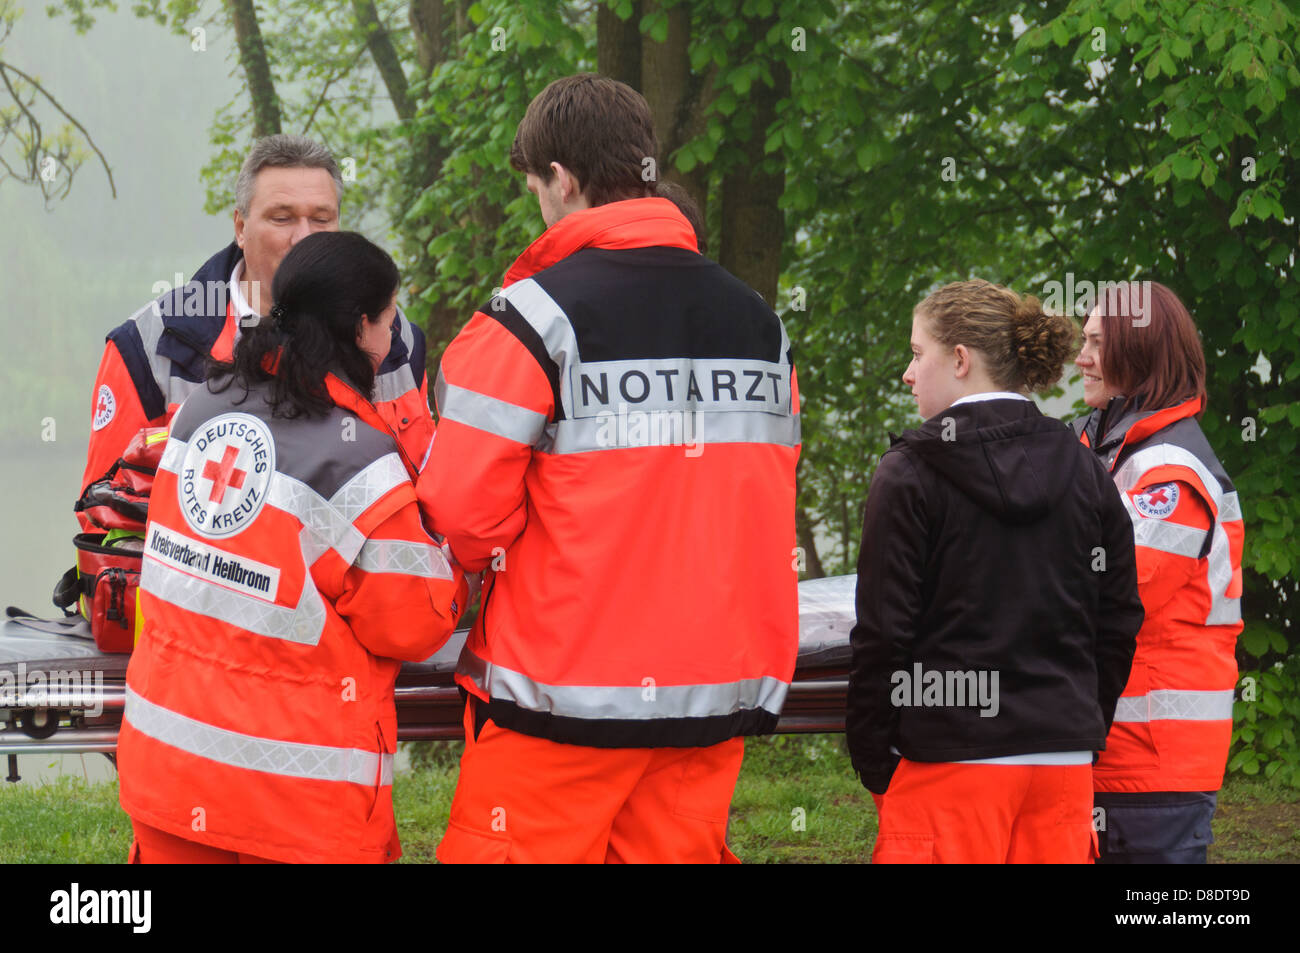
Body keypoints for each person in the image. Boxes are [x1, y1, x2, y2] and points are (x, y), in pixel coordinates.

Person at [418, 73, 801, 863]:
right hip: (712, 696)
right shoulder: (758, 324)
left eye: (535, 186)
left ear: (561, 179)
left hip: (560, 701)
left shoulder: (529, 321)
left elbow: (458, 513)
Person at [116, 231, 468, 864]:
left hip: (166, 772)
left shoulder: (198, 409)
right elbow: (415, 621)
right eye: (389, 319)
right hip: (292, 807)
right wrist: (449, 551)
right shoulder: (360, 459)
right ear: (361, 329)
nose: (394, 339)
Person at [848, 279, 1144, 863]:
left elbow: (884, 633)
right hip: (1059, 767)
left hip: (948, 762)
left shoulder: (909, 472)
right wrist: (1079, 724)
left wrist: (874, 757)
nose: (908, 374)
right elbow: (1119, 617)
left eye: (916, 353)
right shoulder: (1086, 468)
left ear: (960, 360)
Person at [80, 134, 435, 530]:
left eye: (321, 219)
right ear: (240, 227)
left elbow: (426, 493)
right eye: (281, 218)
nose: (304, 237)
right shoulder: (152, 346)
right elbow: (106, 515)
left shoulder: (394, 336)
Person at [1072, 281, 1244, 863]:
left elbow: (1105, 587)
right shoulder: (1106, 448)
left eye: (1097, 342)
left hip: (1152, 764)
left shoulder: (1171, 471)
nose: (1081, 357)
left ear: (1138, 352)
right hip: (1110, 749)